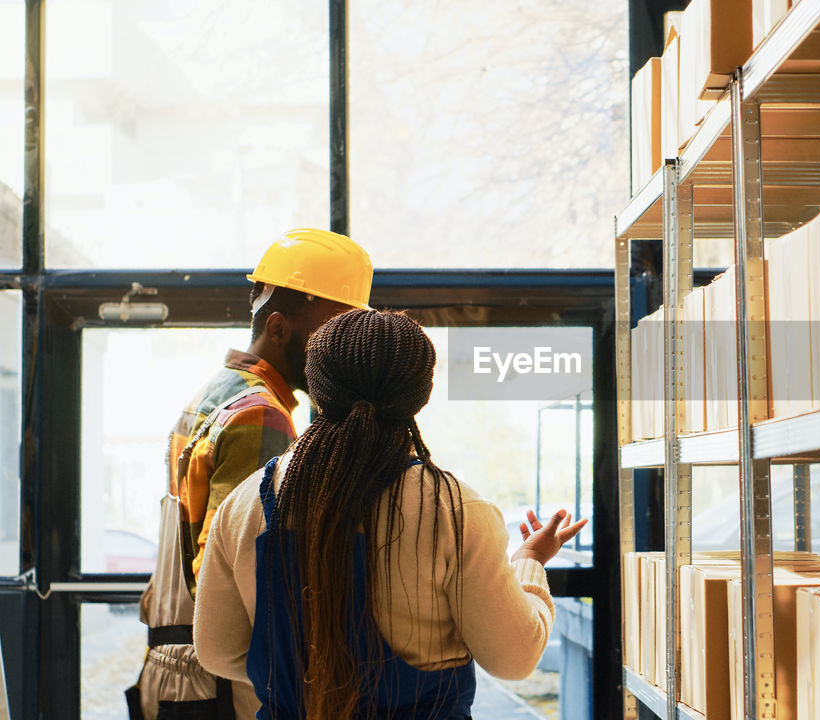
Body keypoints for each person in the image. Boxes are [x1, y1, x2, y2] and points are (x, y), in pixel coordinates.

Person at [193, 309, 587, 720]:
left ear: (318, 386)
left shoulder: (242, 507)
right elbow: (514, 658)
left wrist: (311, 676)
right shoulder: (453, 510)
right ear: (420, 392)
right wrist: (530, 563)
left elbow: (219, 653)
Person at [127, 229, 375, 720]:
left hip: (178, 671)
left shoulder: (213, 397)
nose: (337, 354)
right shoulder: (262, 415)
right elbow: (235, 571)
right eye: (329, 336)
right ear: (279, 328)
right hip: (219, 684)